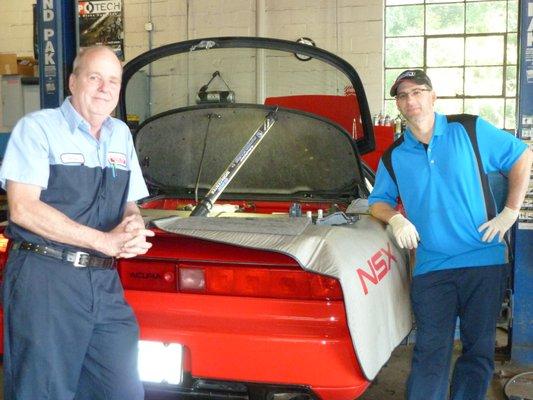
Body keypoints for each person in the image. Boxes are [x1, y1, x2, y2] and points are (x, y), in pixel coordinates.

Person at [0, 45, 154, 399]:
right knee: (45, 390)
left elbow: (129, 202)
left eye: (112, 80)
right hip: (47, 278)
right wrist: (105, 242)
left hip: (102, 282)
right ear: (72, 82)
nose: (104, 88)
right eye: (94, 77)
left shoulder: (120, 135)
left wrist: (132, 224)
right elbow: (22, 208)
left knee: (121, 390)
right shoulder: (37, 129)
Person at [369, 69, 532, 400]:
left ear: (432, 96)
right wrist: (395, 219)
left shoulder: (469, 129)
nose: (410, 99)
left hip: (483, 262)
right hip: (432, 268)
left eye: (417, 91)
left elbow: (522, 156)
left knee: (478, 350)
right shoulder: (394, 155)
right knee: (430, 352)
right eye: (402, 95)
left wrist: (510, 212)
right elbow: (377, 202)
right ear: (398, 105)